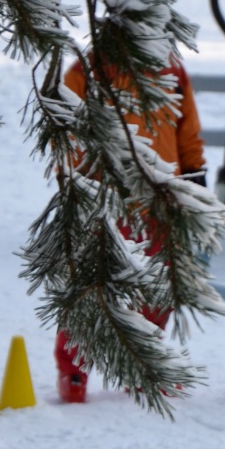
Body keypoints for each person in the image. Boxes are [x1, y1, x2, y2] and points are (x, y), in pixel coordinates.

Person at [54, 53, 206, 403]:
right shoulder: (87, 70)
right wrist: (78, 184)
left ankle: (143, 361)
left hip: (159, 196)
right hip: (105, 198)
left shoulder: (172, 70)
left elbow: (187, 127)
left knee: (156, 289)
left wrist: (194, 172)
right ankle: (73, 368)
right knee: (90, 287)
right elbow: (68, 129)